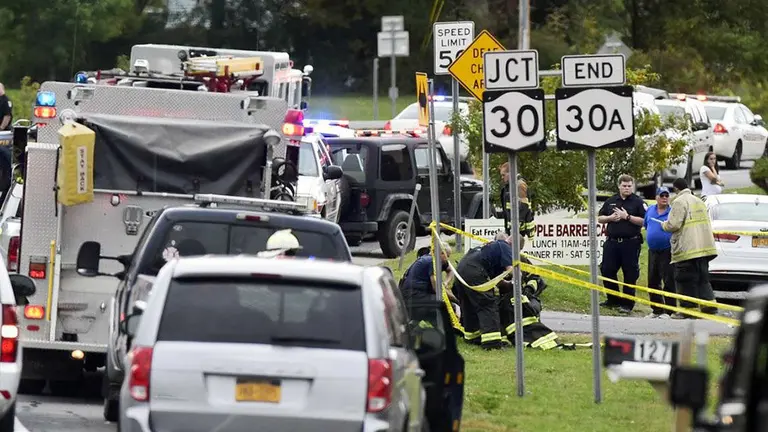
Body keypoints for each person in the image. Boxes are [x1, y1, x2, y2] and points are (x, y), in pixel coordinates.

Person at [662, 177, 718, 318]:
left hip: (687, 248)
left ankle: (688, 310)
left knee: (684, 279)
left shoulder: (679, 202)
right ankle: (709, 307)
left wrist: (664, 225)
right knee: (702, 278)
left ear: (675, 188)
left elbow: (674, 224)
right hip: (703, 248)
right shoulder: (698, 200)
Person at [454, 234, 514, 350]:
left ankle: (472, 337)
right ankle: (492, 343)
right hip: (474, 271)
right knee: (487, 304)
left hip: (462, 270)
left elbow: (496, 280)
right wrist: (516, 282)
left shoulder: (488, 250)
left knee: (469, 304)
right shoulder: (504, 245)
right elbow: (510, 270)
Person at [597, 174, 647, 314]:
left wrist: (628, 217)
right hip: (612, 242)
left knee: (630, 274)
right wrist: (610, 218)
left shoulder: (638, 202)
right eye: (624, 186)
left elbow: (645, 221)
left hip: (630, 243)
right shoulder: (611, 201)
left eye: (629, 186)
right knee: (607, 270)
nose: (627, 188)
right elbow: (600, 218)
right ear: (619, 186)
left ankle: (627, 304)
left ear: (633, 186)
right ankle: (613, 299)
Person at [643, 187, 676, 319]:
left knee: (668, 281)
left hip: (667, 250)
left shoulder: (672, 211)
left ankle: (669, 311)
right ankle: (656, 309)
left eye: (666, 195)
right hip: (653, 250)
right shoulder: (650, 210)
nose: (664, 198)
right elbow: (646, 225)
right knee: (652, 280)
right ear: (656, 197)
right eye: (661, 195)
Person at [499, 163, 535, 242]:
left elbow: (523, 207)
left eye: (503, 175)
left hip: (518, 231)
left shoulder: (519, 185)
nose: (502, 178)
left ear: (511, 173)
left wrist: (515, 228)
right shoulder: (509, 186)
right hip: (512, 230)